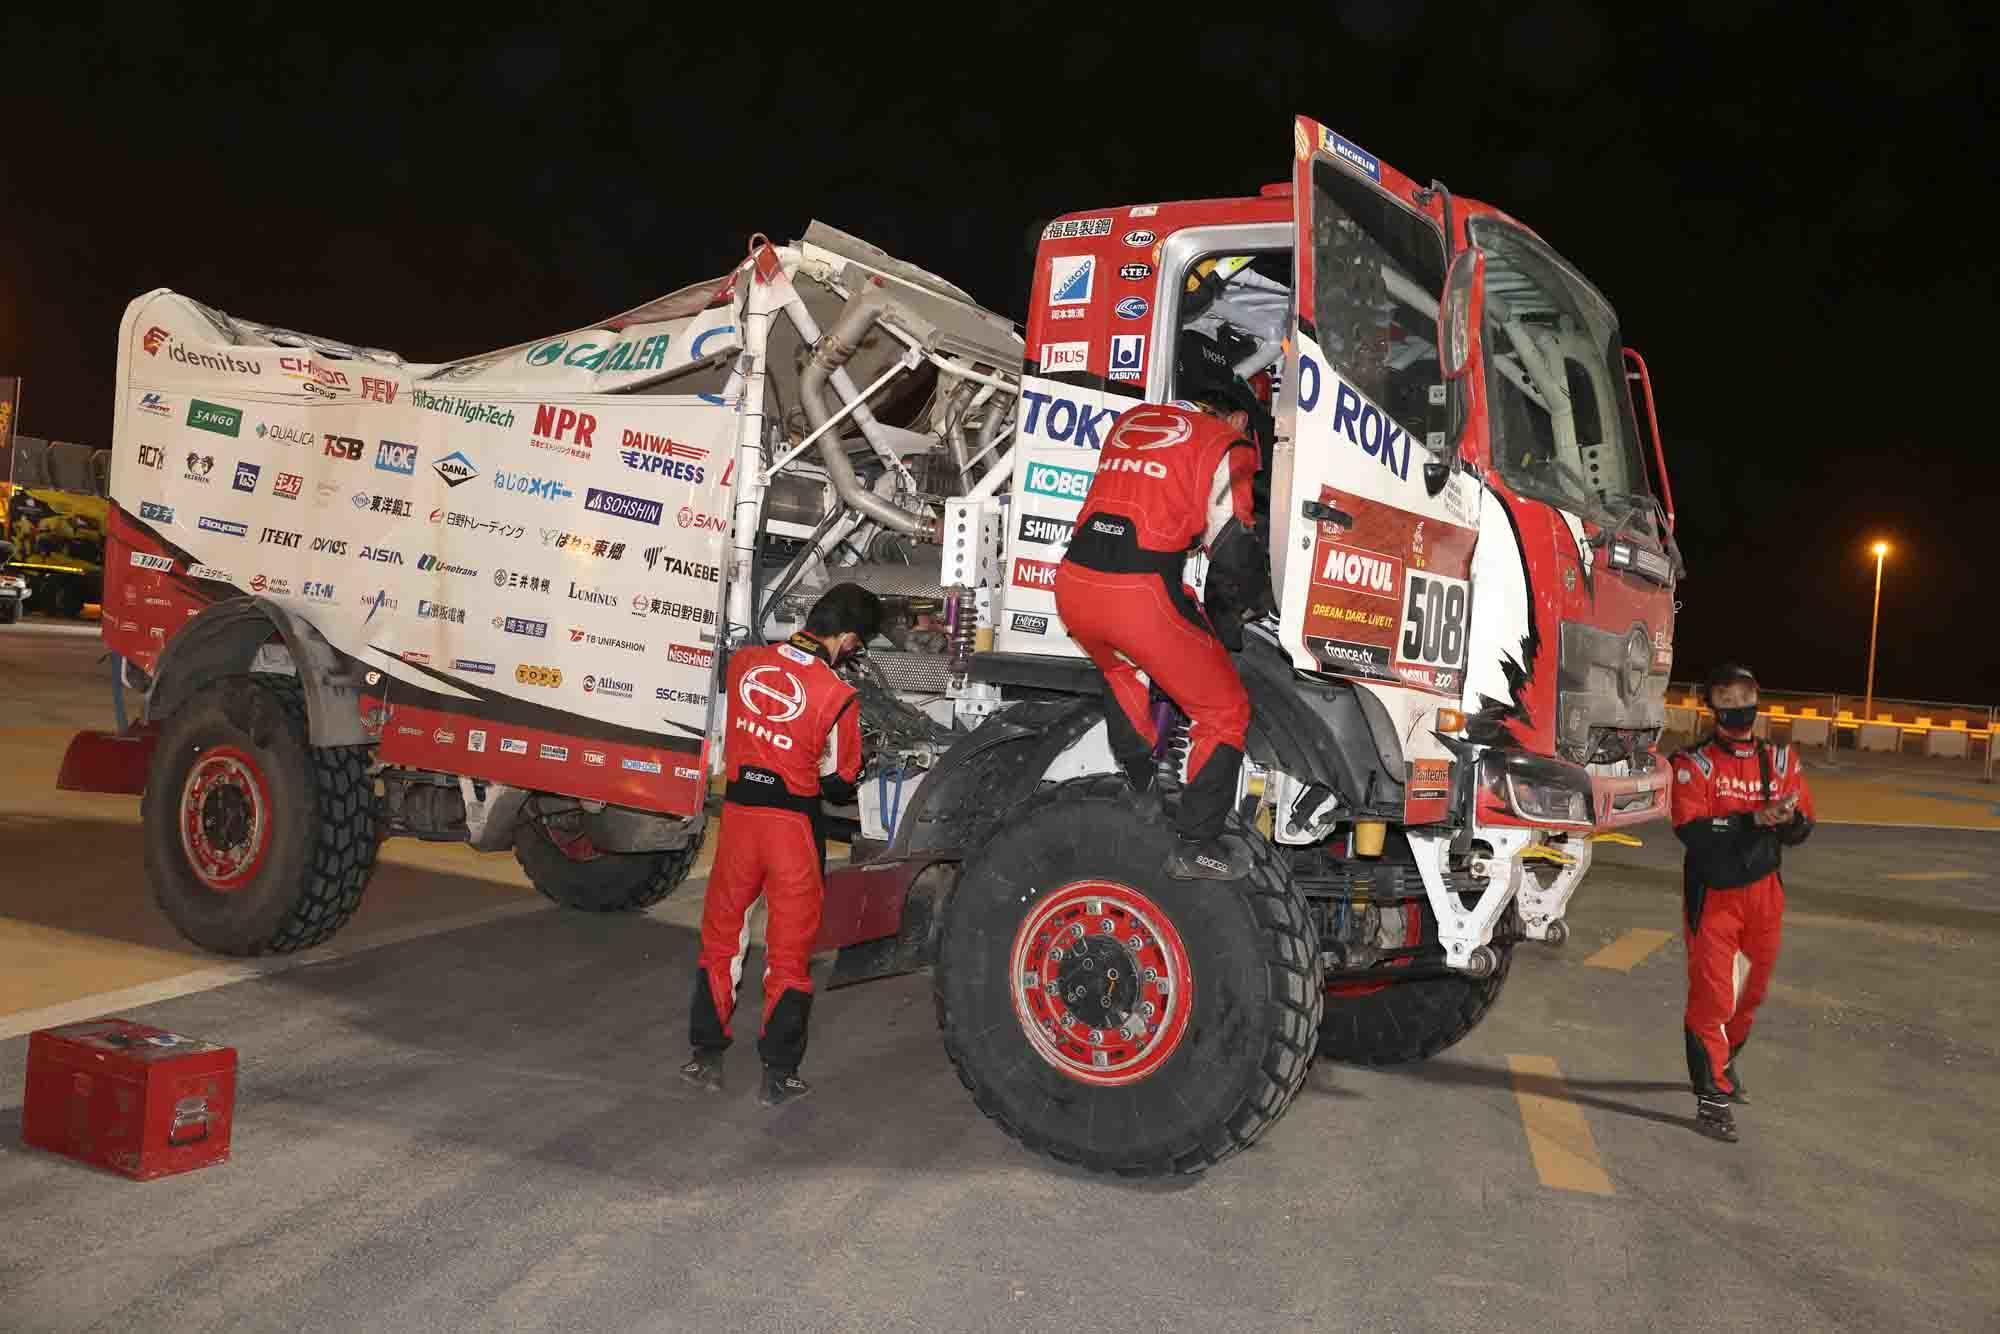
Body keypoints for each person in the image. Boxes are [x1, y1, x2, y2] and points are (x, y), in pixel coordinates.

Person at [1052, 328, 1274, 880]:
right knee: (1224, 712)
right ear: (1240, 417)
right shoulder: (1226, 446)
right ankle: (1197, 842)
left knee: (1125, 673)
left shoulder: (1130, 423)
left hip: (1076, 586)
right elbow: (1231, 549)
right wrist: (1238, 613)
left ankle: (1145, 790)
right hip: (1141, 594)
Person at [680, 582, 881, 1106]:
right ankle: (778, 1075)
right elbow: (842, 776)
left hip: (740, 821)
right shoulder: (839, 695)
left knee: (722, 940)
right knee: (789, 955)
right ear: (848, 639)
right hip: (792, 828)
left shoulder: (745, 663)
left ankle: (704, 1058)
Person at [1669, 662, 1816, 1143]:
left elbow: (1803, 827)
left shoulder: (1780, 759)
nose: (1738, 710)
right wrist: (1755, 820)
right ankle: (1710, 1094)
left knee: (1749, 996)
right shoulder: (1692, 762)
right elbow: (1692, 830)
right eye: (1726, 701)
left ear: (1758, 699)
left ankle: (1725, 1063)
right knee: (1714, 996)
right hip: (1714, 894)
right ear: (1711, 706)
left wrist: (1786, 821)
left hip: (1765, 893)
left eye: (1745, 698)